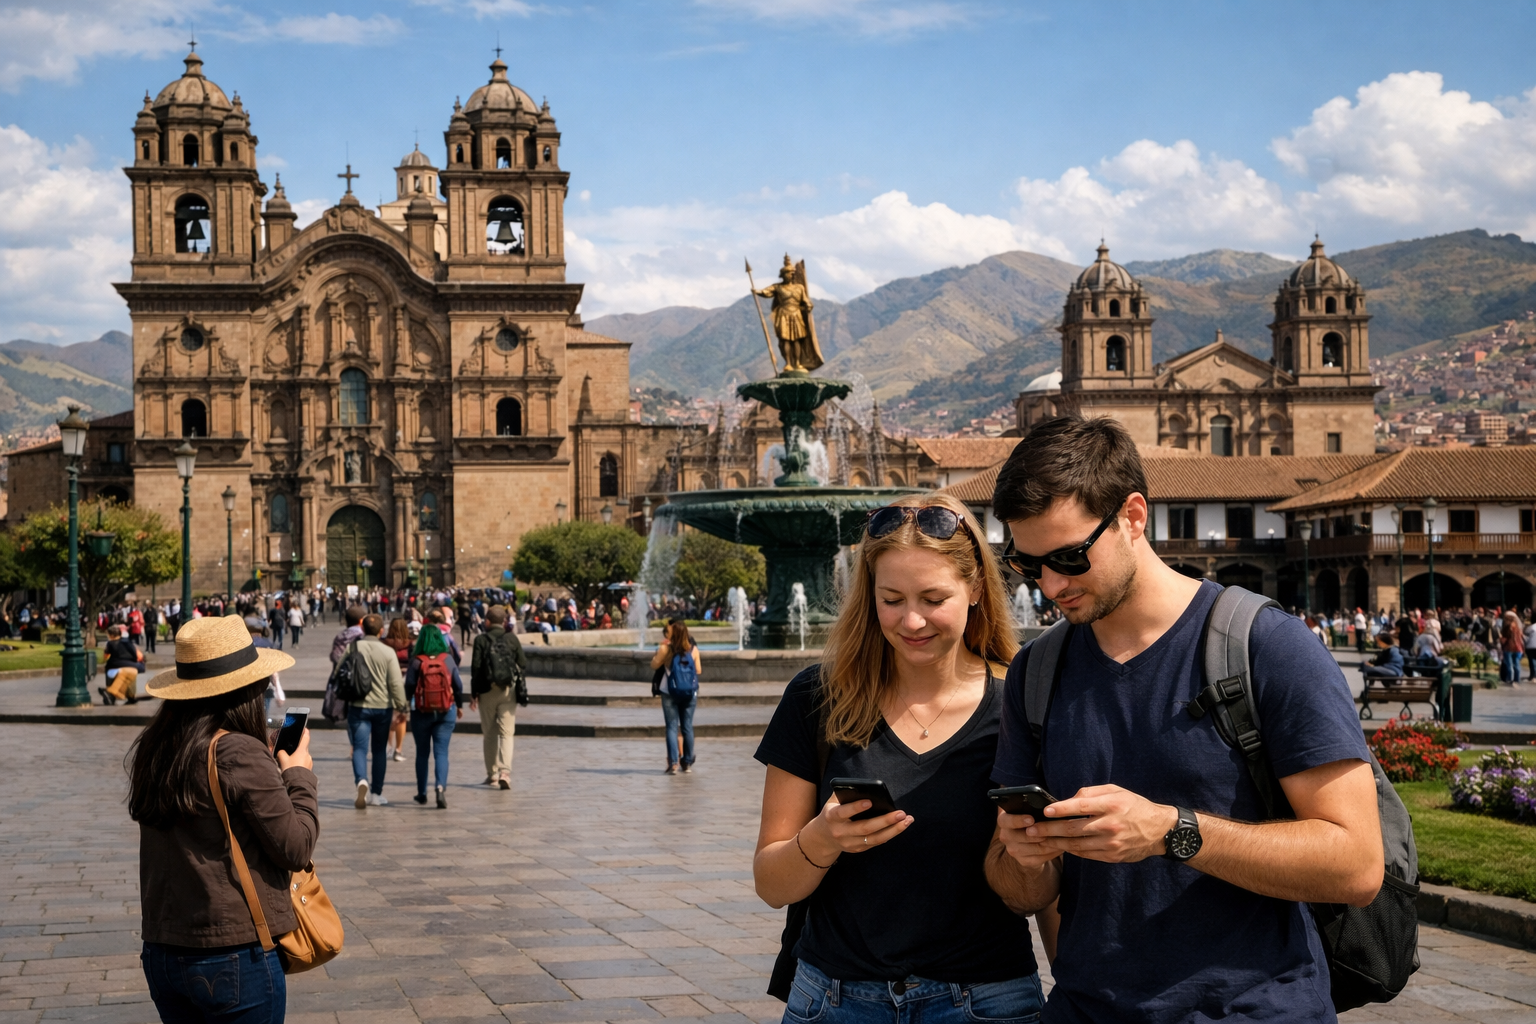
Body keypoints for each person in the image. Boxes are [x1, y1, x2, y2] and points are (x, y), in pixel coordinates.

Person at [985, 415, 1382, 1023]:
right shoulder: (1036, 674)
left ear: (1134, 516)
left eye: (1069, 556)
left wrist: (1172, 831)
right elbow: (1023, 894)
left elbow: (1355, 864)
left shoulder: (1268, 646)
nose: (1050, 586)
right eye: (1027, 565)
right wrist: (1023, 857)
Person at [754, 493, 1048, 1024]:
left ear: (977, 588)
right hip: (835, 1003)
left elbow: (1044, 898)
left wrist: (1028, 857)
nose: (912, 620)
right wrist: (821, 839)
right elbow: (772, 884)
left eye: (933, 598)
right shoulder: (815, 698)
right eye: (892, 599)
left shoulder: (1023, 705)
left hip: (987, 1003)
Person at [127, 615, 306, 1024]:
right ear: (246, 688)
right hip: (232, 954)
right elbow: (295, 846)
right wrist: (297, 773)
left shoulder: (156, 747)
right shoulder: (238, 751)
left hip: (164, 949)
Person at [345, 612, 407, 809]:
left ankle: (361, 781)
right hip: (382, 707)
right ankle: (376, 793)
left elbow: (339, 672)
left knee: (360, 748)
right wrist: (402, 706)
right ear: (382, 631)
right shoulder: (388, 652)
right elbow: (396, 683)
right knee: (379, 750)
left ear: (362, 629)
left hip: (358, 705)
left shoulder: (352, 647)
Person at [406, 621, 462, 809]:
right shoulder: (448, 659)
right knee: (441, 752)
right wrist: (459, 705)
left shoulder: (416, 660)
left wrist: (407, 704)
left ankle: (422, 793)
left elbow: (409, 686)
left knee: (422, 753)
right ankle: (440, 787)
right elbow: (458, 685)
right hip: (446, 711)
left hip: (421, 712)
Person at [470, 605, 527, 789]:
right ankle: (505, 772)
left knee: (489, 733)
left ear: (487, 621)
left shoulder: (481, 640)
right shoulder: (512, 639)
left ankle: (492, 774)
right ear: (504, 621)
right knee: (507, 732)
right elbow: (523, 662)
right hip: (508, 691)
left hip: (487, 690)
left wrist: (474, 694)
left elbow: (476, 669)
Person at [651, 619, 702, 774]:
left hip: (669, 692)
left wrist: (659, 651)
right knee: (687, 727)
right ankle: (687, 763)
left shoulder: (666, 649)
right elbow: (698, 670)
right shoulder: (693, 650)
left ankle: (673, 763)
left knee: (672, 727)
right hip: (689, 693)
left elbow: (654, 665)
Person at [382, 617, 414, 762]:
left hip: (387, 681)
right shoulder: (410, 645)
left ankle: (389, 746)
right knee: (402, 716)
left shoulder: (384, 643)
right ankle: (398, 750)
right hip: (404, 681)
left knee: (389, 714)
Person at [99, 624, 146, 705]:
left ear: (111, 635)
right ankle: (131, 696)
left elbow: (105, 658)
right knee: (130, 678)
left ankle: (110, 692)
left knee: (116, 674)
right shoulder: (129, 642)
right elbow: (139, 656)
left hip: (116, 666)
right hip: (133, 666)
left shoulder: (110, 644)